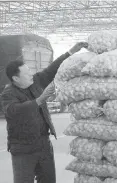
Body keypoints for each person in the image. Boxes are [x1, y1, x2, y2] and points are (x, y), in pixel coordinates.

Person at [0, 42, 88, 183]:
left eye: (29, 70)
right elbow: (14, 111)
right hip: (23, 149)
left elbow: (52, 69)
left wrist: (71, 52)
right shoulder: (8, 94)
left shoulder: (36, 81)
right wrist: (40, 99)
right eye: (27, 72)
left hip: (44, 145)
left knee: (48, 180)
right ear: (16, 79)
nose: (31, 74)